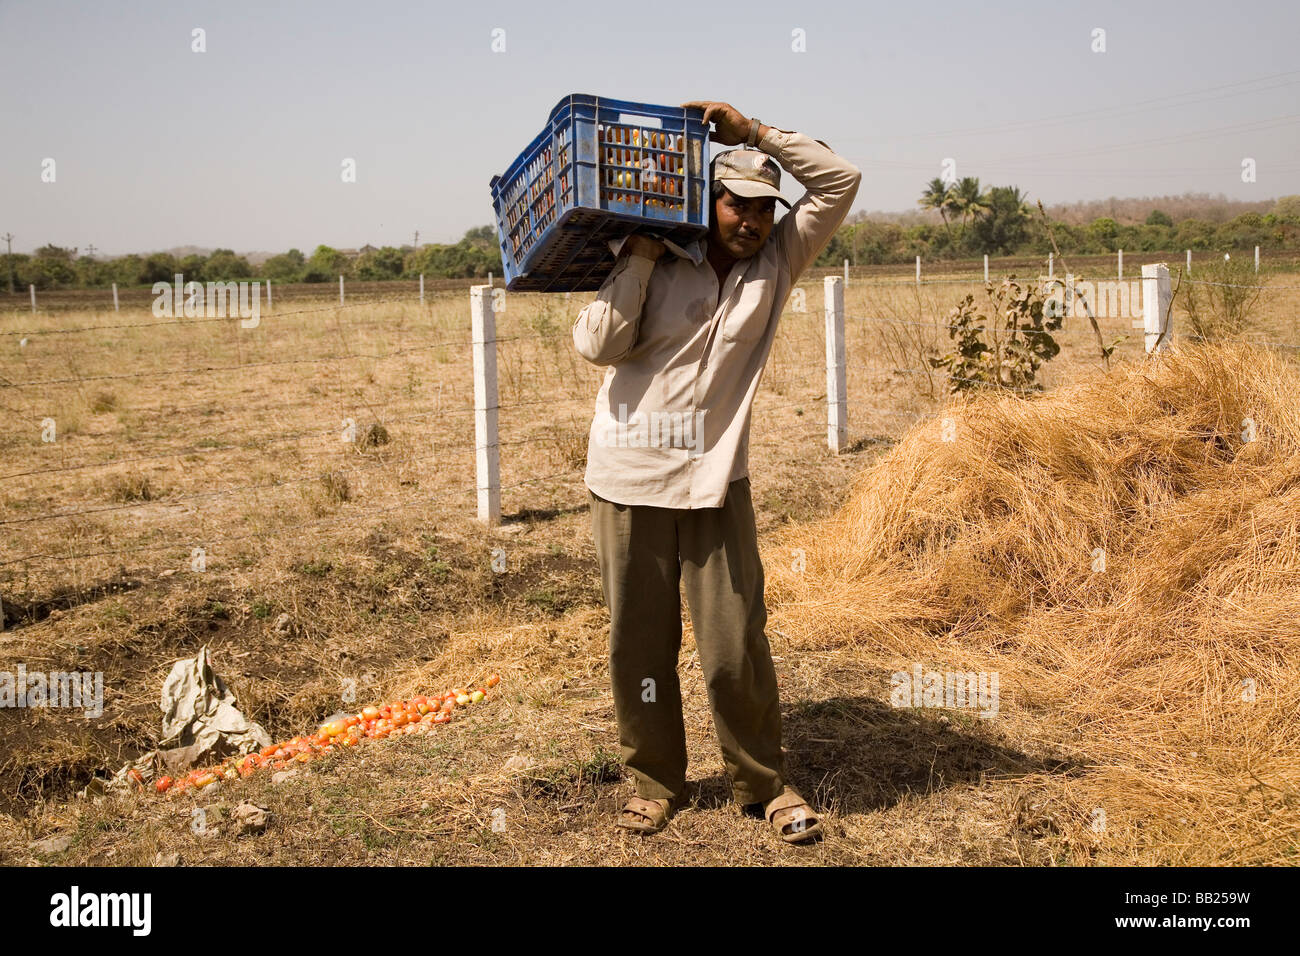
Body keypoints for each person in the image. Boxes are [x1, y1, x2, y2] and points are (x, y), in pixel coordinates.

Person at [571, 100, 861, 843]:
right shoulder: (656, 257)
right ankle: (654, 779)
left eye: (764, 208)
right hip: (628, 475)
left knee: (734, 644)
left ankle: (763, 782)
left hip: (713, 479)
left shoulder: (778, 263)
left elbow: (841, 180)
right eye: (737, 203)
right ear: (709, 200)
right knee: (639, 643)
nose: (752, 221)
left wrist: (756, 134)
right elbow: (596, 345)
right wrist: (637, 250)